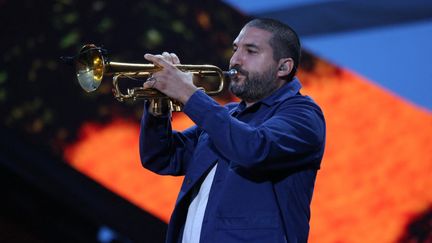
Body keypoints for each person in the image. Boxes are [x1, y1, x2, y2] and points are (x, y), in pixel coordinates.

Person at [139, 18, 326, 243]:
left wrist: (188, 94)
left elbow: (254, 148)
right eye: (236, 48)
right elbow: (162, 157)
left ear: (283, 67)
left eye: (251, 51)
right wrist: (157, 108)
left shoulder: (303, 115)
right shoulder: (226, 116)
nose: (235, 59)